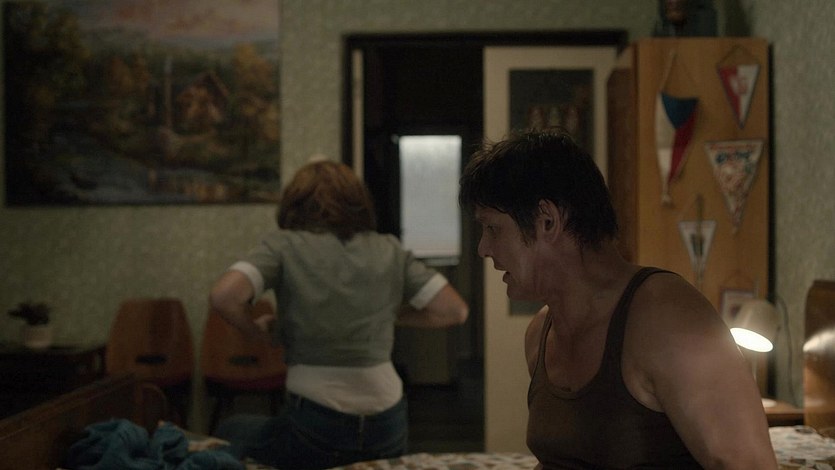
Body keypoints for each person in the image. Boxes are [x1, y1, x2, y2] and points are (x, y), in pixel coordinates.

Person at [458, 128, 776, 469]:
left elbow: (749, 464)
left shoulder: (667, 317)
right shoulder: (540, 334)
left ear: (547, 221)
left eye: (492, 228)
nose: (483, 249)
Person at [209, 160, 469, 469]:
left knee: (231, 428)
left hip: (316, 424)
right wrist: (387, 314)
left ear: (295, 203)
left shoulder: (284, 246)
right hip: (386, 423)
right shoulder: (389, 249)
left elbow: (224, 297)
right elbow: (454, 310)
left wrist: (258, 333)